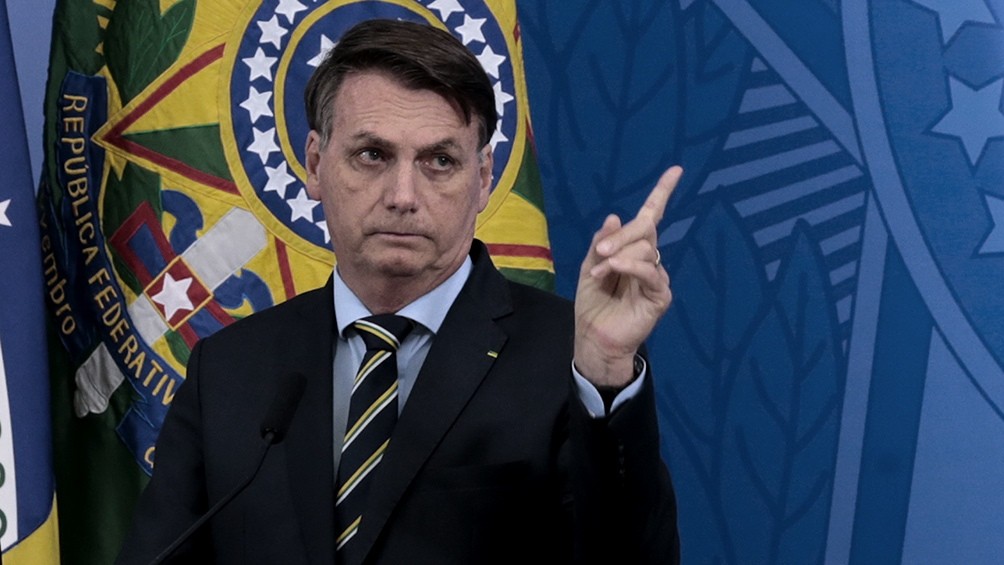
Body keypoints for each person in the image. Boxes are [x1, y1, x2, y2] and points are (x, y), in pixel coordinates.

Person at [117, 18, 680, 565]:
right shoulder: (229, 369)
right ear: (314, 164)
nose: (403, 196)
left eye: (440, 161)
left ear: (484, 178)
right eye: (372, 155)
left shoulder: (569, 359)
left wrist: (606, 371)